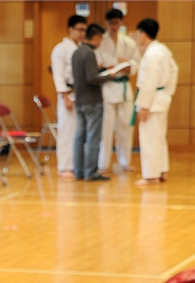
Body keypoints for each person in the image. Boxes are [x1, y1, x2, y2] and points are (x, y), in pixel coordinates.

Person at [133, 18, 178, 186]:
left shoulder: (152, 54)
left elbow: (149, 81)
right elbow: (174, 70)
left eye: (138, 34)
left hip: (152, 101)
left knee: (149, 138)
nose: (138, 37)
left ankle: (151, 176)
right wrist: (168, 92)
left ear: (143, 34)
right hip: (161, 98)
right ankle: (161, 170)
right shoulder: (162, 50)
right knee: (159, 137)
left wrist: (144, 106)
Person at [97, 8, 140, 174]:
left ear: (121, 22)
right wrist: (104, 68)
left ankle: (124, 162)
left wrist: (128, 64)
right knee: (106, 128)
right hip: (107, 87)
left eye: (116, 23)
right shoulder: (101, 42)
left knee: (125, 127)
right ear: (106, 23)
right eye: (110, 23)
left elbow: (137, 63)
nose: (113, 26)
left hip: (123, 88)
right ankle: (103, 164)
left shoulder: (128, 42)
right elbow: (97, 63)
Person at [71, 24, 115, 182]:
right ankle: (90, 172)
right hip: (92, 102)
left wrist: (102, 70)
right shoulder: (90, 53)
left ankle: (78, 171)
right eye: (101, 39)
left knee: (79, 138)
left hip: (80, 100)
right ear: (96, 37)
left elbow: (84, 75)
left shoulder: (77, 52)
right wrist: (110, 75)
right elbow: (91, 78)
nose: (101, 42)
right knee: (93, 138)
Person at [50, 15, 86, 179]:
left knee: (78, 131)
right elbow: (58, 76)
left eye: (84, 30)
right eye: (79, 30)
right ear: (70, 29)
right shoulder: (60, 49)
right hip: (67, 94)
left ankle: (77, 165)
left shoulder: (81, 48)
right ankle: (64, 167)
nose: (82, 33)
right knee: (66, 131)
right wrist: (64, 96)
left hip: (80, 94)